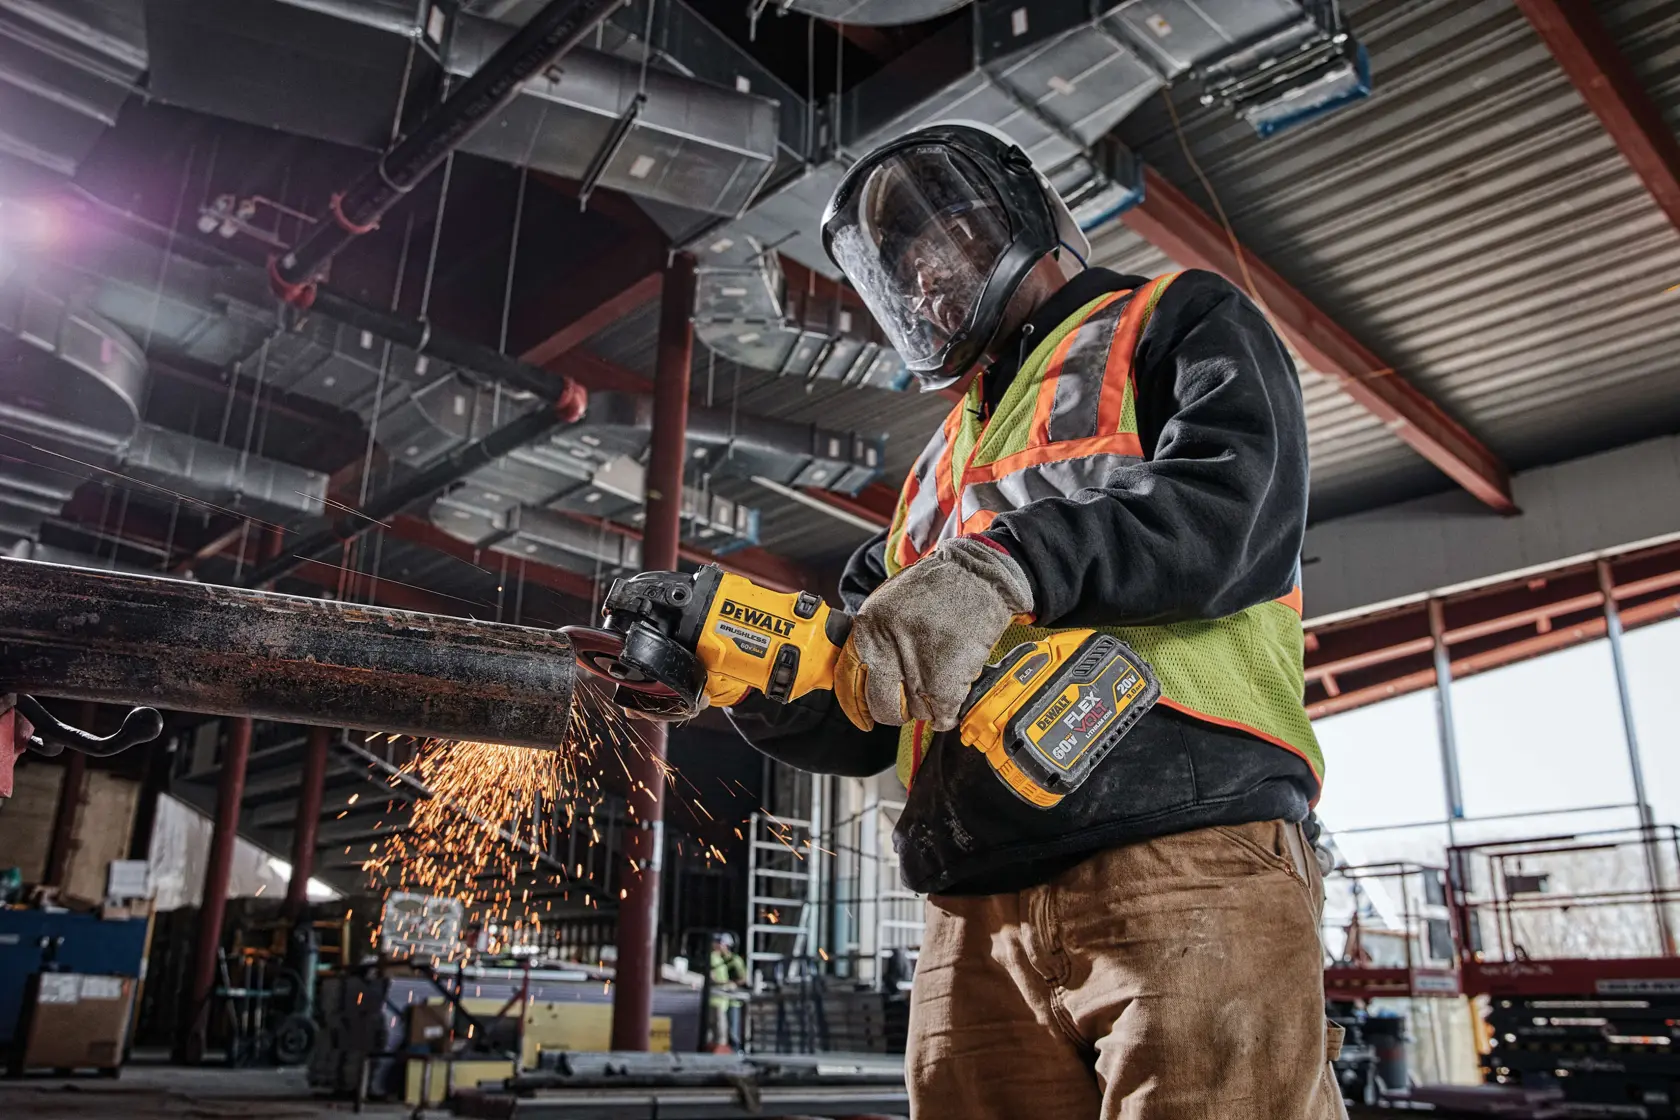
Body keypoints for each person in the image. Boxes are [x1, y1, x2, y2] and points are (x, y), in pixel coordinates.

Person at [721, 123, 1346, 1119]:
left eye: (941, 250)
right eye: (902, 280)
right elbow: (861, 699)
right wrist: (733, 667)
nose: (924, 286)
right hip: (972, 905)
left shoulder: (1172, 319)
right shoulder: (931, 474)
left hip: (1185, 848)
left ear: (1021, 220)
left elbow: (1238, 515)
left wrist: (1011, 563)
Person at [706, 930, 748, 1051]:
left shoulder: (735, 960)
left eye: (722, 943)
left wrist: (732, 985)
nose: (719, 945)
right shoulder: (717, 958)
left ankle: (734, 1050)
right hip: (721, 1000)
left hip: (733, 1000)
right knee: (719, 1028)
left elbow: (743, 978)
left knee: (732, 1029)